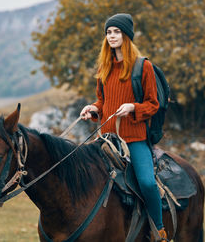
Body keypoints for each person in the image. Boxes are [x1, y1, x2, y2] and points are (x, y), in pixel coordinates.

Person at [80, 13, 167, 241]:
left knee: (147, 183)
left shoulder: (142, 67)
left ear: (126, 36)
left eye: (116, 32)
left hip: (134, 139)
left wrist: (132, 107)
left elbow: (153, 104)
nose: (111, 36)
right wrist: (93, 108)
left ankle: (159, 231)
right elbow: (103, 101)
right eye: (108, 32)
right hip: (107, 139)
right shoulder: (104, 68)